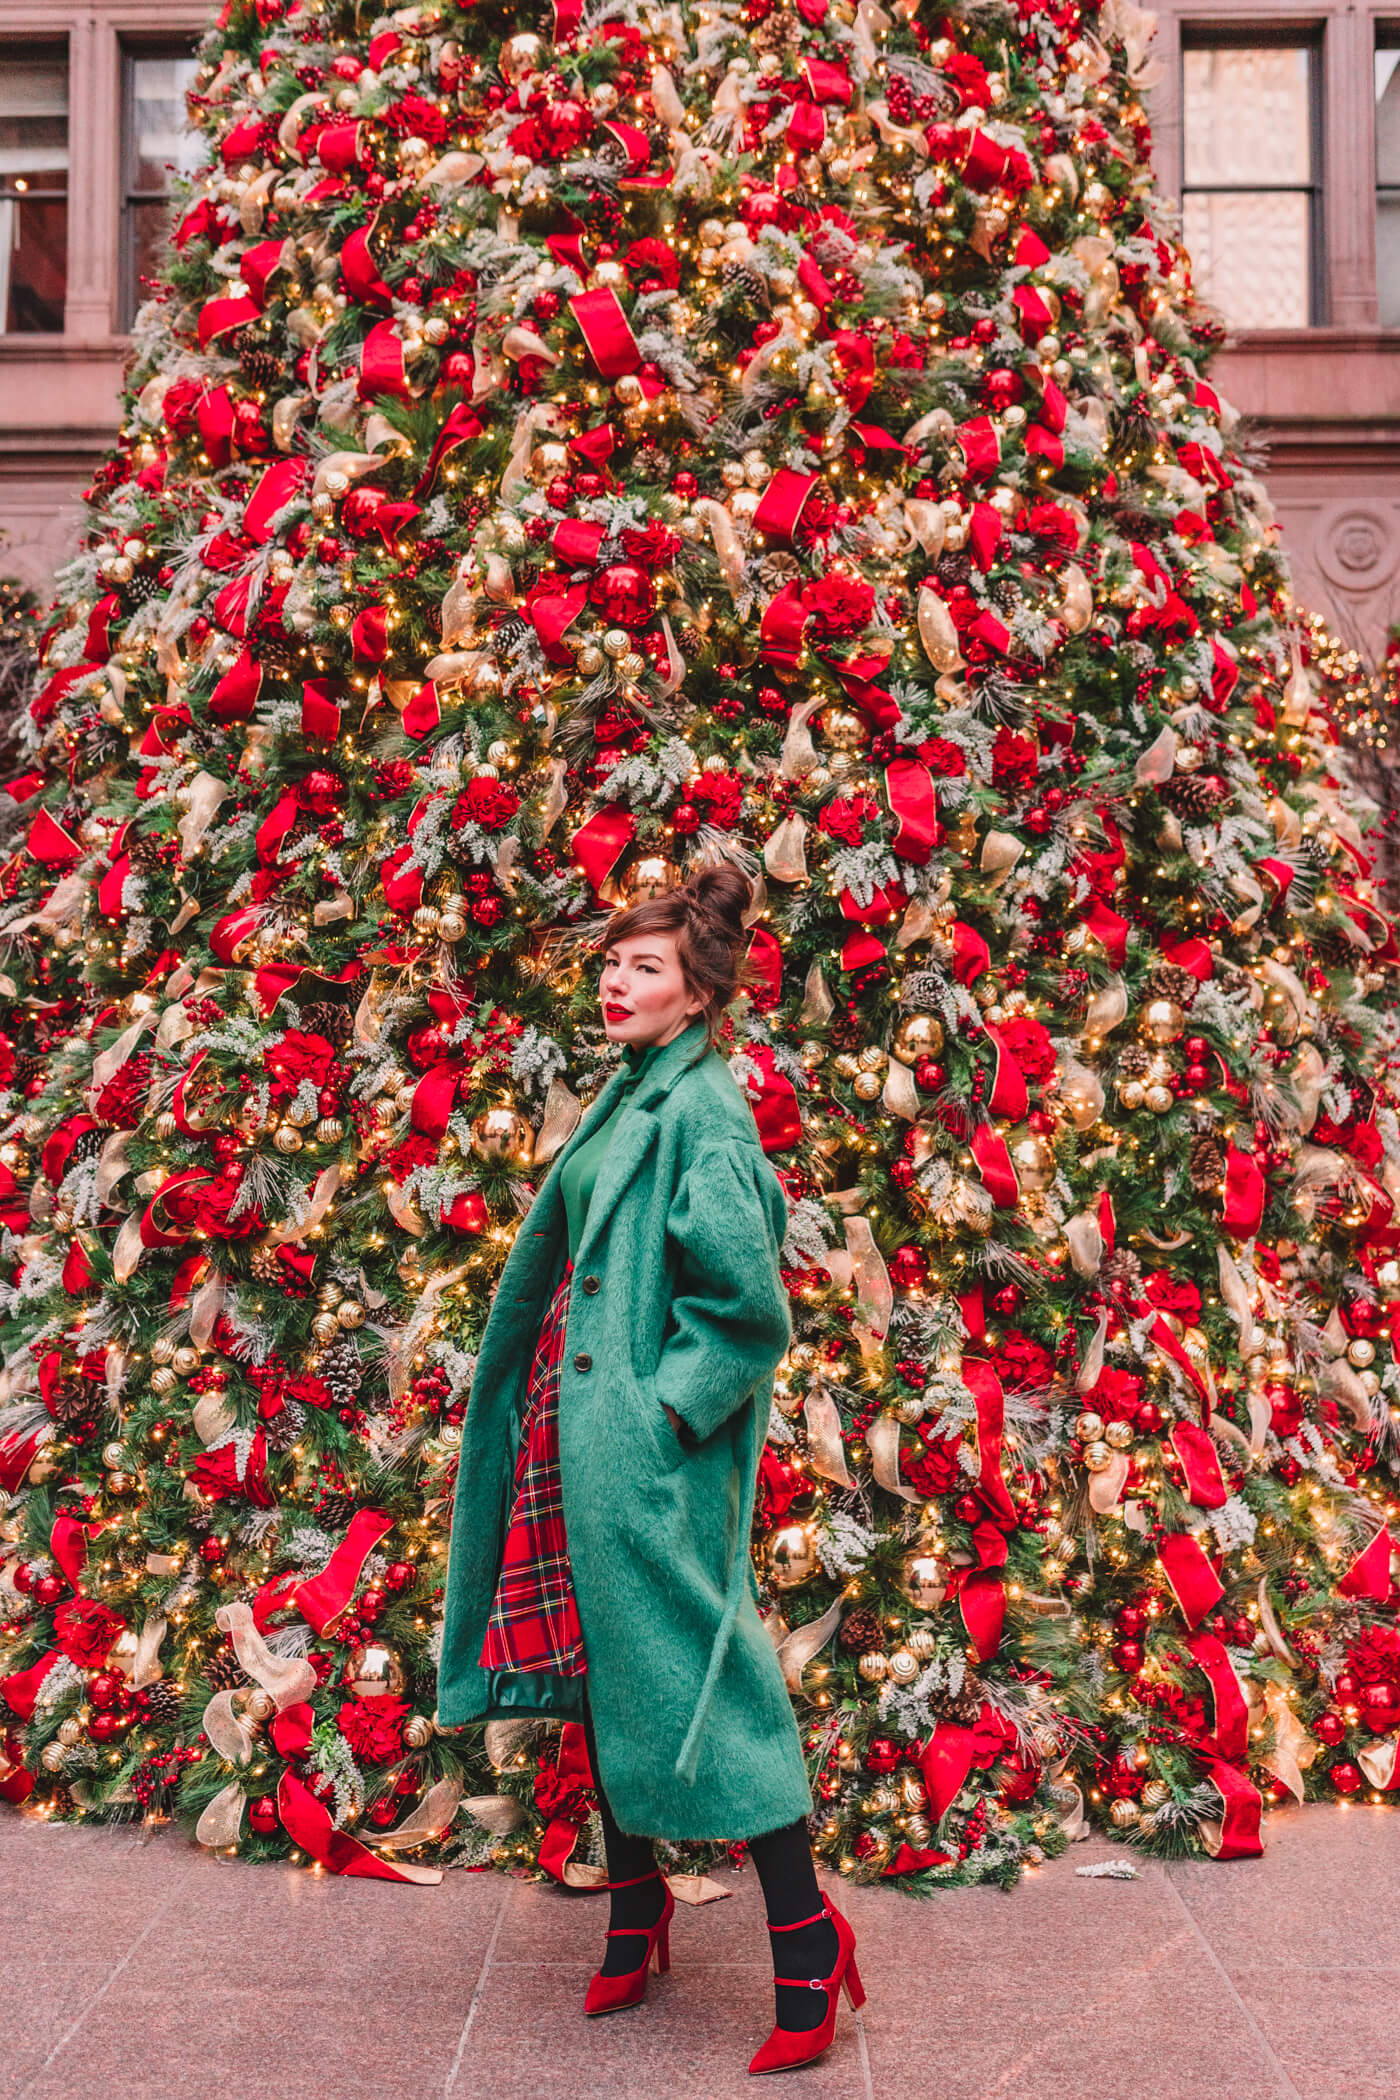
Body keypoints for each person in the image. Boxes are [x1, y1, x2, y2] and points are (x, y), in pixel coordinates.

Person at [437, 863, 864, 2074]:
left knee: (710, 1692)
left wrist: (660, 1419)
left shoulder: (703, 1112)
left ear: (695, 997)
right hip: (566, 1434)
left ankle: (803, 1946)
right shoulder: (632, 1092)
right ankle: (637, 1911)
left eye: (645, 968)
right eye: (613, 960)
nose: (615, 981)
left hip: (636, 1449)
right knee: (607, 1677)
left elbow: (743, 1308)